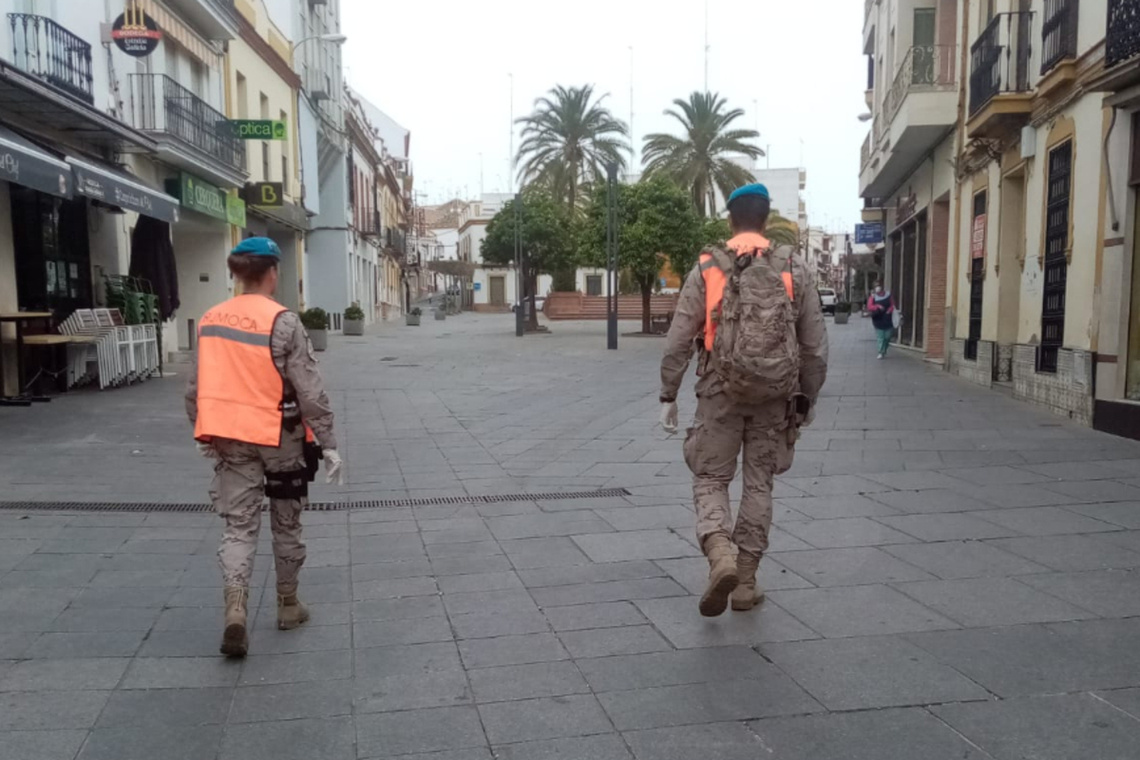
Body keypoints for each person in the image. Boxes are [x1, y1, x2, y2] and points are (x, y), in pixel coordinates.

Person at [659, 184, 828, 617]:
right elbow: (814, 346)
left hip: (719, 388)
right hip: (776, 395)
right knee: (759, 484)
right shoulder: (794, 267)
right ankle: (746, 583)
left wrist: (668, 394)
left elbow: (679, 337)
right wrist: (806, 397)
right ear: (766, 219)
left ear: (730, 219)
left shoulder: (708, 268)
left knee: (710, 478)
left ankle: (720, 556)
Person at [185, 237, 344, 658]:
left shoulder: (211, 319)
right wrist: (328, 443)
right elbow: (310, 390)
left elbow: (195, 388)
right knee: (286, 521)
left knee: (239, 526)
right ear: (273, 272)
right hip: (281, 437)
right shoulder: (284, 322)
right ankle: (289, 605)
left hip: (230, 438)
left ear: (237, 274)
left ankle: (235, 610)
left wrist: (202, 433)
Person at [867, 283, 897, 359]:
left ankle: (884, 349)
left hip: (888, 318)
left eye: (879, 286)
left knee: (887, 336)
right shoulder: (873, 297)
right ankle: (881, 352)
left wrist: (890, 310)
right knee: (880, 337)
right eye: (876, 287)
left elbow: (892, 304)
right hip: (878, 319)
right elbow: (870, 307)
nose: (878, 288)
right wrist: (877, 306)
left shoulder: (888, 295)